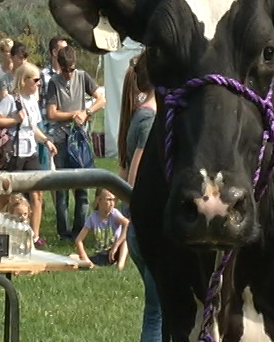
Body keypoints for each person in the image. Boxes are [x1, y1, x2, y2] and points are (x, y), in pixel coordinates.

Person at [118, 51, 161, 342]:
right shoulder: (149, 119)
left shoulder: (140, 114)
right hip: (148, 227)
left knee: (157, 310)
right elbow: (133, 179)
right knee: (157, 314)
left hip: (139, 229)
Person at [46, 46, 105, 240]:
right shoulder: (54, 83)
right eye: (65, 70)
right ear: (60, 67)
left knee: (82, 187)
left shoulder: (82, 76)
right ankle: (64, 233)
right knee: (62, 188)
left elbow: (101, 99)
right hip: (61, 139)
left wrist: (87, 112)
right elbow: (52, 113)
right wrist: (74, 114)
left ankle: (80, 229)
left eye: (71, 69)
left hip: (79, 139)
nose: (69, 74)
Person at [0, 62, 57, 248]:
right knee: (8, 194)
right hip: (15, 153)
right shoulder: (11, 99)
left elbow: (34, 128)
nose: (39, 84)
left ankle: (34, 236)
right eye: (35, 80)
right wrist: (14, 119)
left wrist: (46, 141)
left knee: (37, 194)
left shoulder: (33, 102)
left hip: (30, 152)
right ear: (24, 81)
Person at [74, 188, 128, 269]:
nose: (112, 203)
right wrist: (85, 258)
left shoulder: (114, 213)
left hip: (115, 252)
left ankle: (120, 266)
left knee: (125, 241)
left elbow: (127, 224)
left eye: (113, 200)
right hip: (101, 254)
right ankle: (93, 266)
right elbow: (79, 240)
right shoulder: (93, 218)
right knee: (72, 257)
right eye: (108, 200)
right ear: (99, 201)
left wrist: (116, 246)